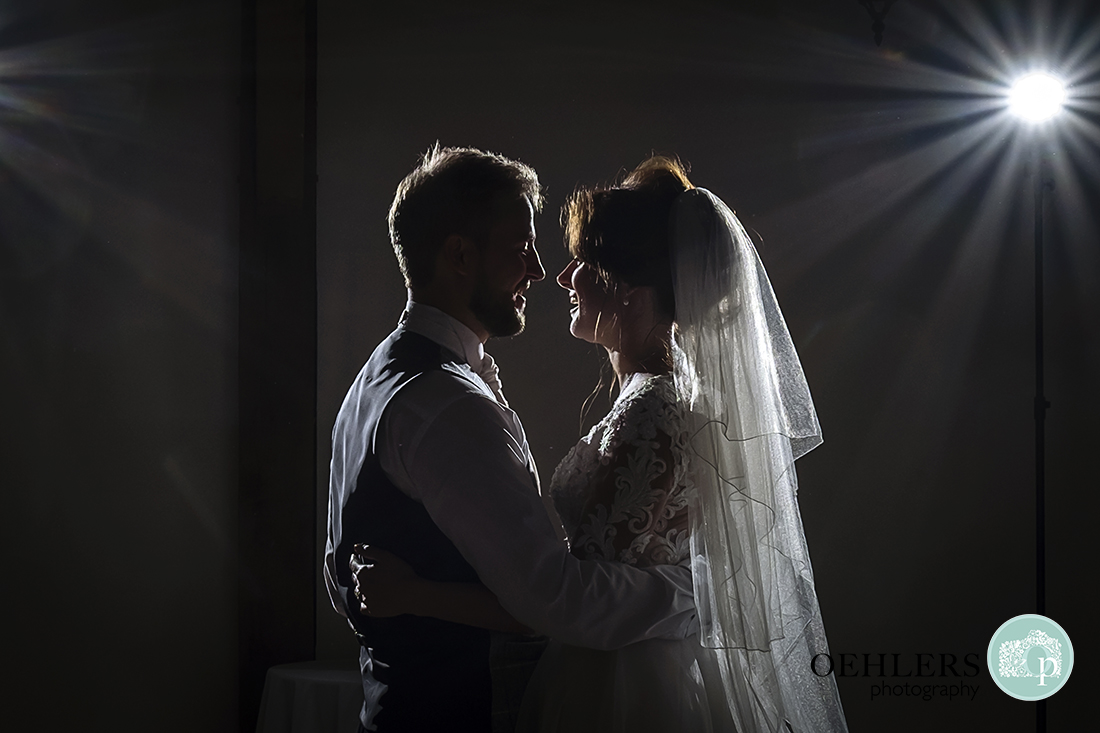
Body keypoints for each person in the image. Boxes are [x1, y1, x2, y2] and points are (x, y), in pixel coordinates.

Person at [353, 156, 849, 732]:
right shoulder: (648, 402)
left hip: (623, 683)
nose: (560, 276)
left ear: (631, 291)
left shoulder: (654, 410)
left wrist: (416, 594)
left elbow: (570, 597)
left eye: (583, 261)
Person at [324, 145, 701, 733]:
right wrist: (695, 595)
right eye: (519, 247)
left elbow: (339, 574)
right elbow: (546, 599)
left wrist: (408, 604)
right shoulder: (450, 406)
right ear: (460, 256)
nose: (538, 268)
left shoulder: (377, 375)